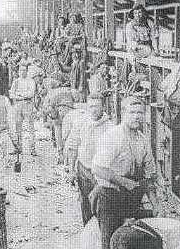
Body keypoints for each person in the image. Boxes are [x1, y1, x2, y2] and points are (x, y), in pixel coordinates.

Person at [91, 96, 162, 249]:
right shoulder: (112, 137)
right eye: (132, 112)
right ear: (123, 113)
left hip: (131, 200)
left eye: (140, 113)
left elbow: (148, 177)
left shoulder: (142, 141)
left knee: (134, 241)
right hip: (110, 199)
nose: (137, 116)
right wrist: (123, 181)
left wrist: (155, 205)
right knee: (111, 242)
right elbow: (97, 168)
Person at [65, 94, 114, 225]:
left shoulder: (110, 127)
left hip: (101, 174)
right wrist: (71, 171)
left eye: (97, 106)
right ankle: (87, 231)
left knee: (101, 206)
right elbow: (73, 146)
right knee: (85, 203)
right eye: (91, 106)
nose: (93, 110)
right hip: (83, 169)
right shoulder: (81, 123)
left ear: (103, 107)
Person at [9, 65, 36, 156]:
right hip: (18, 105)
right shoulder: (16, 81)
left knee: (30, 127)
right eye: (21, 70)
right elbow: (11, 95)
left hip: (28, 104)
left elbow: (31, 94)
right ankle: (18, 147)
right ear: (18, 71)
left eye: (24, 70)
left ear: (27, 71)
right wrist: (21, 95)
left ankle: (32, 148)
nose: (22, 72)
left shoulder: (31, 81)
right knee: (17, 127)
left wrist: (19, 94)